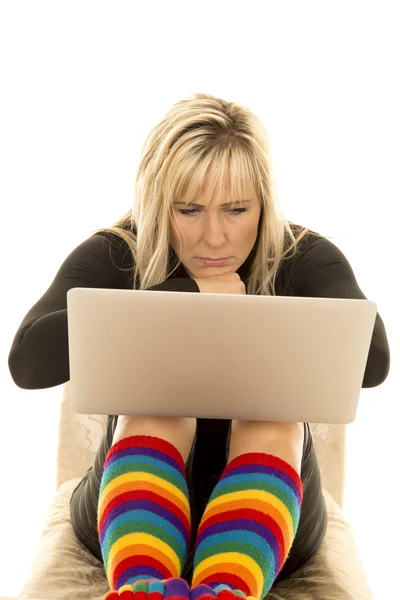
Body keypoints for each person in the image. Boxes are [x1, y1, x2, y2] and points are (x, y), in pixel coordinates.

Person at [8, 92, 390, 600]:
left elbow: (374, 362)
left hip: (273, 518)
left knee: (272, 416)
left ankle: (228, 588)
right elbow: (28, 361)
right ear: (156, 203)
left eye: (236, 210)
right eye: (189, 211)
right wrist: (186, 295)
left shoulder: (303, 255)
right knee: (160, 405)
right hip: (130, 503)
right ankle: (140, 588)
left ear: (264, 205)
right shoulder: (118, 252)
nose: (214, 237)